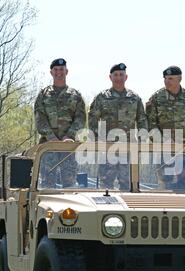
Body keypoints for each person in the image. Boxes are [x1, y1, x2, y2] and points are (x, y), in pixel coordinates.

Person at [88, 63, 148, 190]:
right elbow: (93, 117)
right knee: (105, 187)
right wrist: (95, 138)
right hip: (107, 149)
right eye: (115, 75)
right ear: (110, 77)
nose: (118, 78)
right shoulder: (102, 97)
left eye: (121, 75)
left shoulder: (134, 98)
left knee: (129, 186)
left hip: (128, 149)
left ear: (126, 77)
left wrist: (142, 141)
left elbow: (142, 120)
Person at [34, 58, 86, 188]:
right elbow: (39, 118)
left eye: (61, 70)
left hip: (69, 147)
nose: (59, 72)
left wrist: (68, 136)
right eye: (56, 70)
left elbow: (80, 118)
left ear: (66, 71)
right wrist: (51, 137)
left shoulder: (75, 95)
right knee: (47, 185)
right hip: (48, 146)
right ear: (51, 72)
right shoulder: (44, 95)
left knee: (70, 184)